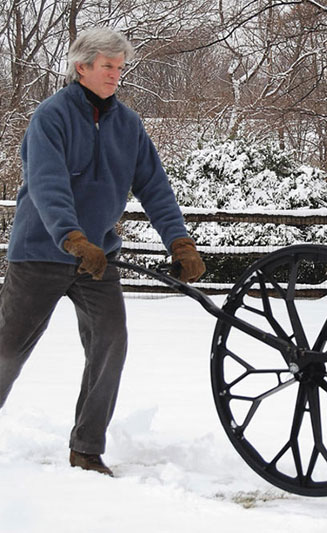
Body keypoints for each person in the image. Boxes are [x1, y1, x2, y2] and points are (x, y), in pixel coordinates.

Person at [0, 28, 205, 477]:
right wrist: (72, 238)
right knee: (7, 351)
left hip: (98, 261)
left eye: (119, 67)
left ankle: (86, 449)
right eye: (107, 67)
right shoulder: (50, 118)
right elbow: (48, 184)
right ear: (82, 67)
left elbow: (154, 186)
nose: (115, 75)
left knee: (110, 346)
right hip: (41, 253)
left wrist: (179, 241)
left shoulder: (128, 125)